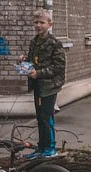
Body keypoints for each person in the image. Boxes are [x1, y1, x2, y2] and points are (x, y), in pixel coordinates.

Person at [21, 9, 66, 158]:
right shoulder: (35, 41)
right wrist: (24, 60)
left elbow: (58, 66)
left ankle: (51, 148)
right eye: (36, 22)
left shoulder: (54, 43)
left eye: (42, 22)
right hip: (38, 86)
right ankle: (41, 148)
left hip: (49, 86)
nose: (38, 25)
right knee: (40, 117)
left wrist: (38, 73)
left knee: (47, 117)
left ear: (49, 24)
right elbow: (34, 60)